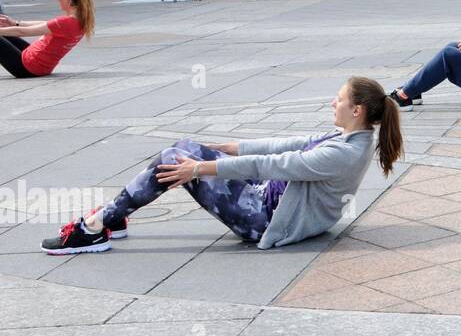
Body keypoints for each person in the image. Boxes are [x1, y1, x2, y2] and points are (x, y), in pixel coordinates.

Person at [41, 77, 403, 255]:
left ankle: (94, 228)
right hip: (267, 200)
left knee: (175, 160)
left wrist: (198, 170)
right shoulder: (347, 138)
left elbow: (274, 164)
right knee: (183, 148)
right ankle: (114, 216)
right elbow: (282, 144)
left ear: (356, 111)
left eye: (338, 99)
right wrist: (218, 148)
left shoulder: (345, 152)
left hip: (263, 219)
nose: (331, 102)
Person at [0, 0, 95, 79]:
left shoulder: (65, 22)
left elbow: (22, 32)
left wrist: (14, 26)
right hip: (40, 65)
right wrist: (15, 23)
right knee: (5, 32)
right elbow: (44, 24)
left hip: (26, 67)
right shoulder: (81, 20)